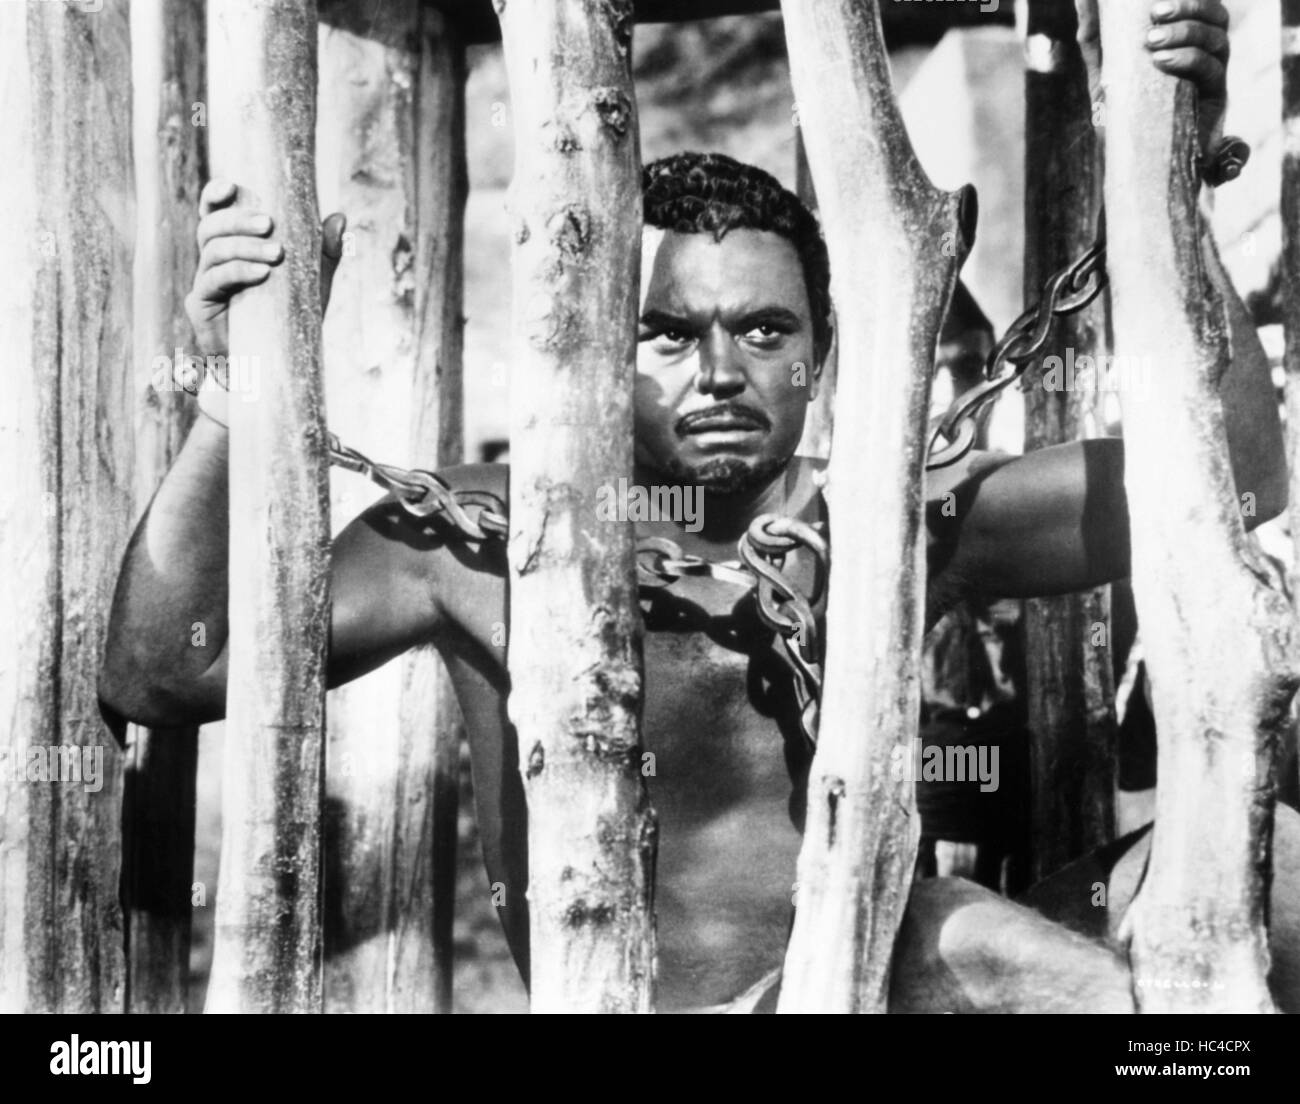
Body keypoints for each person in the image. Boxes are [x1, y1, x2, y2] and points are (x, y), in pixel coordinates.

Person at [100, 0, 1298, 1012]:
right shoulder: (478, 538)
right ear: (593, 348)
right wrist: (226, 391)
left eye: (764, 330)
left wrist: (1172, 190)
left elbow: (1235, 476)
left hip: (886, 975)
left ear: (823, 355)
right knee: (964, 933)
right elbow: (160, 673)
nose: (721, 371)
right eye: (667, 331)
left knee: (1277, 862)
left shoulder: (900, 520)